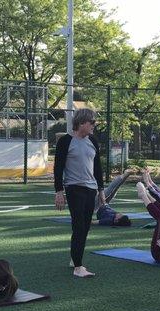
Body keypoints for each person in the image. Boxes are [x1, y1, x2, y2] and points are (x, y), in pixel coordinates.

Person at [54, 108, 105, 278]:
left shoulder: (93, 141)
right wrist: (59, 191)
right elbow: (58, 168)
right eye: (92, 122)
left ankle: (74, 257)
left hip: (91, 190)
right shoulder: (65, 142)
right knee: (78, 226)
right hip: (74, 188)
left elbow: (97, 167)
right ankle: (78, 267)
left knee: (85, 227)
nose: (94, 126)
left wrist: (101, 189)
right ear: (82, 122)